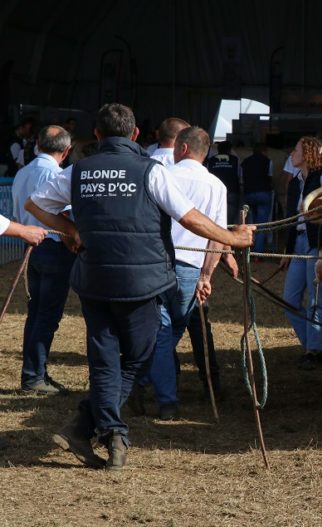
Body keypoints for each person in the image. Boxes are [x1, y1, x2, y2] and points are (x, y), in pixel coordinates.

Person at [26, 103, 254, 471]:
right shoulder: (152, 171)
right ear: (135, 135)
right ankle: (110, 430)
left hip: (94, 279)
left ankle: (89, 427)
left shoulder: (78, 171)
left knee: (104, 359)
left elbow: (33, 205)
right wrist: (234, 239)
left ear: (97, 135)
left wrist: (71, 230)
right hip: (141, 282)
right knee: (139, 355)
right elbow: (191, 218)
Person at [134, 126, 235, 419]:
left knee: (162, 334)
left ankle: (154, 393)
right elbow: (217, 236)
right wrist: (206, 275)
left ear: (182, 149)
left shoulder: (162, 177)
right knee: (168, 332)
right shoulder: (216, 185)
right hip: (192, 269)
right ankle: (146, 388)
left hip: (158, 265)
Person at [11, 125, 74, 394]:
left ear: (38, 143)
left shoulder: (22, 172)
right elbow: (67, 217)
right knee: (47, 315)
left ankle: (35, 372)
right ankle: (34, 376)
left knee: (36, 313)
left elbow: (15, 212)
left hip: (30, 247)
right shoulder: (58, 175)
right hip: (53, 247)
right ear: (66, 150)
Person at [280, 136, 322, 370]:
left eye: (296, 149)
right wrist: (287, 252)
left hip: (316, 243)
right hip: (299, 244)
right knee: (289, 300)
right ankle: (311, 345)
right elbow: (290, 221)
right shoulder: (295, 183)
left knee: (315, 300)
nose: (292, 153)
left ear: (308, 153)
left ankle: (314, 350)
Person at [241, 143, 274, 253]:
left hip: (249, 194)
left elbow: (241, 178)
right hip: (264, 193)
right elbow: (270, 177)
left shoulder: (245, 162)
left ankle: (248, 248)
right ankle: (257, 252)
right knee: (261, 224)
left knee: (251, 223)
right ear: (264, 151)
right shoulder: (268, 161)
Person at [205, 140, 240, 224]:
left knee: (215, 217)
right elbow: (239, 175)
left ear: (218, 149)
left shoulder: (211, 160)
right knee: (230, 219)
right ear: (230, 149)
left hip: (215, 192)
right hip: (231, 190)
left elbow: (207, 175)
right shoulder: (235, 160)